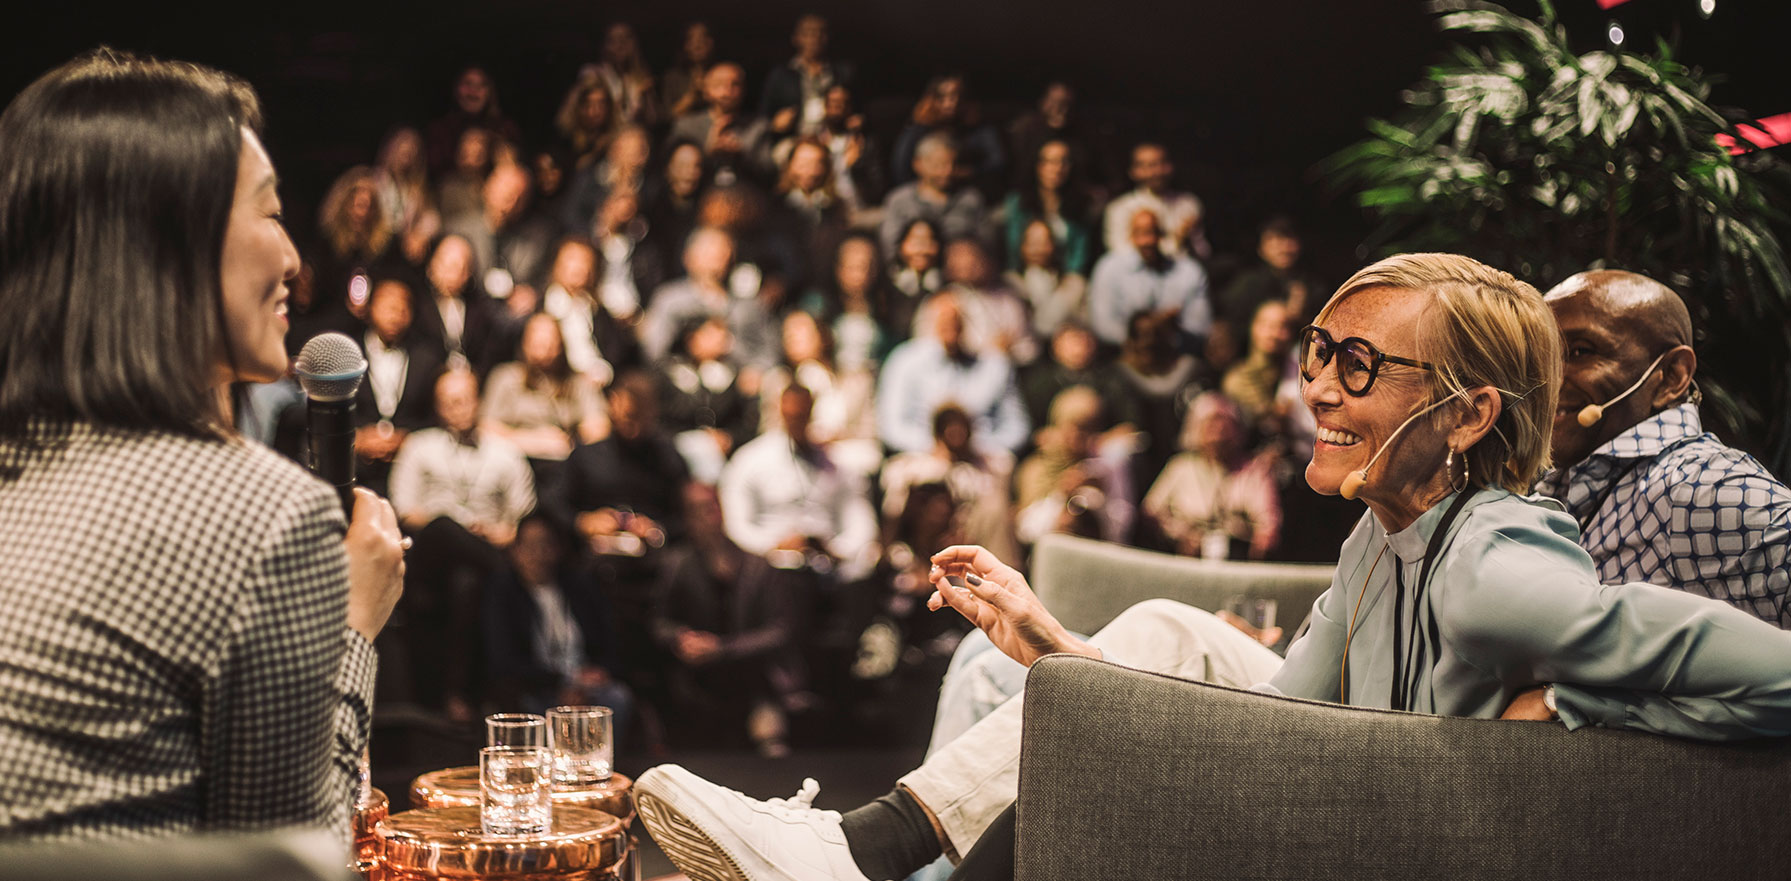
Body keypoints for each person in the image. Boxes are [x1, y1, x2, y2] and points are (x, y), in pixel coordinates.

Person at [630, 253, 1791, 881]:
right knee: (1151, 641)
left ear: (1470, 410)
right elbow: (1264, 726)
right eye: (1319, 354)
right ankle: (862, 854)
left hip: (1400, 837)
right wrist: (1055, 654)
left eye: (1360, 365)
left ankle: (857, 855)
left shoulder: (1495, 563)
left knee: (1143, 661)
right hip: (1337, 793)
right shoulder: (1379, 534)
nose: (1319, 388)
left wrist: (1583, 708)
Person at [0, 50, 404, 842]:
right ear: (163, 242)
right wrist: (355, 623)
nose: (293, 257)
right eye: (268, 212)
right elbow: (296, 856)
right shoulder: (262, 514)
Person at [1537, 269, 1791, 627]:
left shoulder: (1701, 487)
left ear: (1672, 377)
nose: (1548, 379)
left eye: (1581, 352)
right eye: (1541, 357)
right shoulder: (1567, 485)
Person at [389, 369, 535, 718]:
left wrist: (499, 532)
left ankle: (457, 696)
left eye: (463, 399)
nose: (457, 408)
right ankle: (513, 577)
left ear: (479, 401)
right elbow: (404, 510)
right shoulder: (419, 446)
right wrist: (460, 528)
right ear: (438, 408)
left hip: (482, 554)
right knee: (443, 525)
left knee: (466, 583)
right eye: (448, 402)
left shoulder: (506, 453)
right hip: (428, 553)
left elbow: (524, 520)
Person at [651, 482, 807, 758]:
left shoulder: (758, 567)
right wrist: (682, 639)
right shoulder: (676, 566)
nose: (703, 518)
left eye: (709, 508)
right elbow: (659, 622)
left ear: (721, 509)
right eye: (693, 511)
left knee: (770, 735)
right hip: (696, 679)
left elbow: (780, 630)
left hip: (751, 677)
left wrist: (723, 648)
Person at [720, 384, 880, 583]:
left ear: (811, 411)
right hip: (768, 564)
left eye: (802, 415)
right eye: (791, 415)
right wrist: (773, 545)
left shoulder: (838, 465)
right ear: (779, 411)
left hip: (825, 562)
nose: (796, 421)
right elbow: (736, 525)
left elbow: (861, 523)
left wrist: (837, 549)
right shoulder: (749, 461)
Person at [484, 513, 635, 723]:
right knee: (530, 708)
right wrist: (561, 684)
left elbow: (610, 641)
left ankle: (602, 756)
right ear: (515, 550)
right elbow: (505, 660)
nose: (538, 555)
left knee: (617, 698)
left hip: (586, 683)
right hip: (537, 686)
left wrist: (597, 674)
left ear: (558, 549)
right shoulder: (504, 592)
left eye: (546, 545)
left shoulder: (579, 587)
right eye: (530, 546)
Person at [877, 294, 1029, 455]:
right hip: (923, 456)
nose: (950, 327)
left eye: (957, 320)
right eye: (943, 321)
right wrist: (934, 446)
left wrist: (976, 448)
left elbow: (1017, 428)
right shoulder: (904, 361)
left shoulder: (994, 366)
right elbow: (891, 427)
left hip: (982, 458)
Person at [1141, 392, 1282, 560]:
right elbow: (1151, 511)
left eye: (1225, 423)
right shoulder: (1180, 467)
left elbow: (1268, 520)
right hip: (1188, 555)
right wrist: (1179, 534)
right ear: (1195, 428)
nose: (1218, 431)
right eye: (1210, 424)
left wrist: (1262, 541)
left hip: (1239, 555)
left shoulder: (1254, 469)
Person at [355, 276, 447, 495]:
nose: (395, 312)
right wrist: (355, 437)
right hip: (355, 463)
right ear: (370, 307)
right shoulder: (346, 353)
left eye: (403, 305)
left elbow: (436, 417)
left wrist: (408, 438)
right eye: (387, 303)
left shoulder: (428, 358)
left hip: (410, 464)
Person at [480, 312, 608, 462]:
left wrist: (575, 444)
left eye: (550, 341)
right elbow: (485, 429)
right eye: (537, 341)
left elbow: (599, 426)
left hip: (566, 460)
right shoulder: (505, 378)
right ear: (524, 343)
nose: (544, 348)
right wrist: (533, 442)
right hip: (516, 459)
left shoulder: (577, 382)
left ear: (561, 344)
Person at [1087, 208, 1213, 348]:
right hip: (1125, 355)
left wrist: (1166, 335)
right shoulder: (1109, 268)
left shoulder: (1189, 271)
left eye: (1152, 232)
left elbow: (1200, 325)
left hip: (1174, 353)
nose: (1148, 241)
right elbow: (1103, 326)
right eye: (1141, 233)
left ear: (1162, 234)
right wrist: (1145, 334)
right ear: (1131, 235)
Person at [879, 133, 987, 261]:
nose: (947, 171)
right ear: (918, 164)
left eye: (953, 164)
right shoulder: (899, 201)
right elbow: (889, 248)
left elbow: (986, 246)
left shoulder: (970, 199)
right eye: (939, 165)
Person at [665, 63, 772, 185]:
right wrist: (708, 151)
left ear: (744, 90)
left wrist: (741, 155)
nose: (727, 91)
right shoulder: (686, 126)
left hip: (745, 193)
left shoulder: (758, 126)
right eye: (719, 84)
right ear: (706, 90)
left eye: (735, 84)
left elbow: (768, 172)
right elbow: (670, 169)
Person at [1101, 141, 1206, 259]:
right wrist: (1175, 242)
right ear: (1134, 171)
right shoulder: (1119, 208)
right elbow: (1120, 253)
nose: (1157, 172)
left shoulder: (1188, 203)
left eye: (1162, 163)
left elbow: (1202, 251)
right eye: (1149, 166)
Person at [1002, 139, 1092, 276]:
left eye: (1064, 162)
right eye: (1050, 161)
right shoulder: (1018, 202)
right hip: (1024, 276)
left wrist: (1069, 279)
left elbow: (1079, 255)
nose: (1057, 168)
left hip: (1063, 279)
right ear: (1038, 165)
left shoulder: (1080, 205)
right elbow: (1013, 248)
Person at [1217, 216, 1321, 327]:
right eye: (1275, 240)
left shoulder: (1313, 285)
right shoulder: (1247, 284)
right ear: (1261, 249)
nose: (1284, 248)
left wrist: (1301, 316)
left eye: (1289, 240)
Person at [762, 14, 852, 140]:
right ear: (796, 38)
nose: (814, 39)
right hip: (793, 139)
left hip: (832, 138)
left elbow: (856, 110)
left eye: (820, 33)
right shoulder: (781, 75)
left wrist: (849, 118)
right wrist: (775, 124)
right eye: (808, 33)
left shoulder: (841, 73)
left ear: (827, 38)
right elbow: (764, 114)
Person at [424, 66, 522, 176]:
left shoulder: (505, 129)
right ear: (456, 89)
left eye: (482, 85)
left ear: (490, 92)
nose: (474, 91)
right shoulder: (439, 131)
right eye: (468, 83)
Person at [1005, 219, 1087, 341]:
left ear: (1054, 245)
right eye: (1032, 242)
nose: (1038, 249)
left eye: (1044, 242)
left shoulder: (1074, 284)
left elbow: (1083, 328)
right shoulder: (1009, 283)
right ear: (1022, 246)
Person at [660, 21, 716, 120]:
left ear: (711, 42)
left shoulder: (723, 74)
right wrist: (693, 95)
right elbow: (668, 117)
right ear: (685, 45)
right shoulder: (673, 77)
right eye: (691, 40)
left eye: (702, 39)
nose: (697, 45)